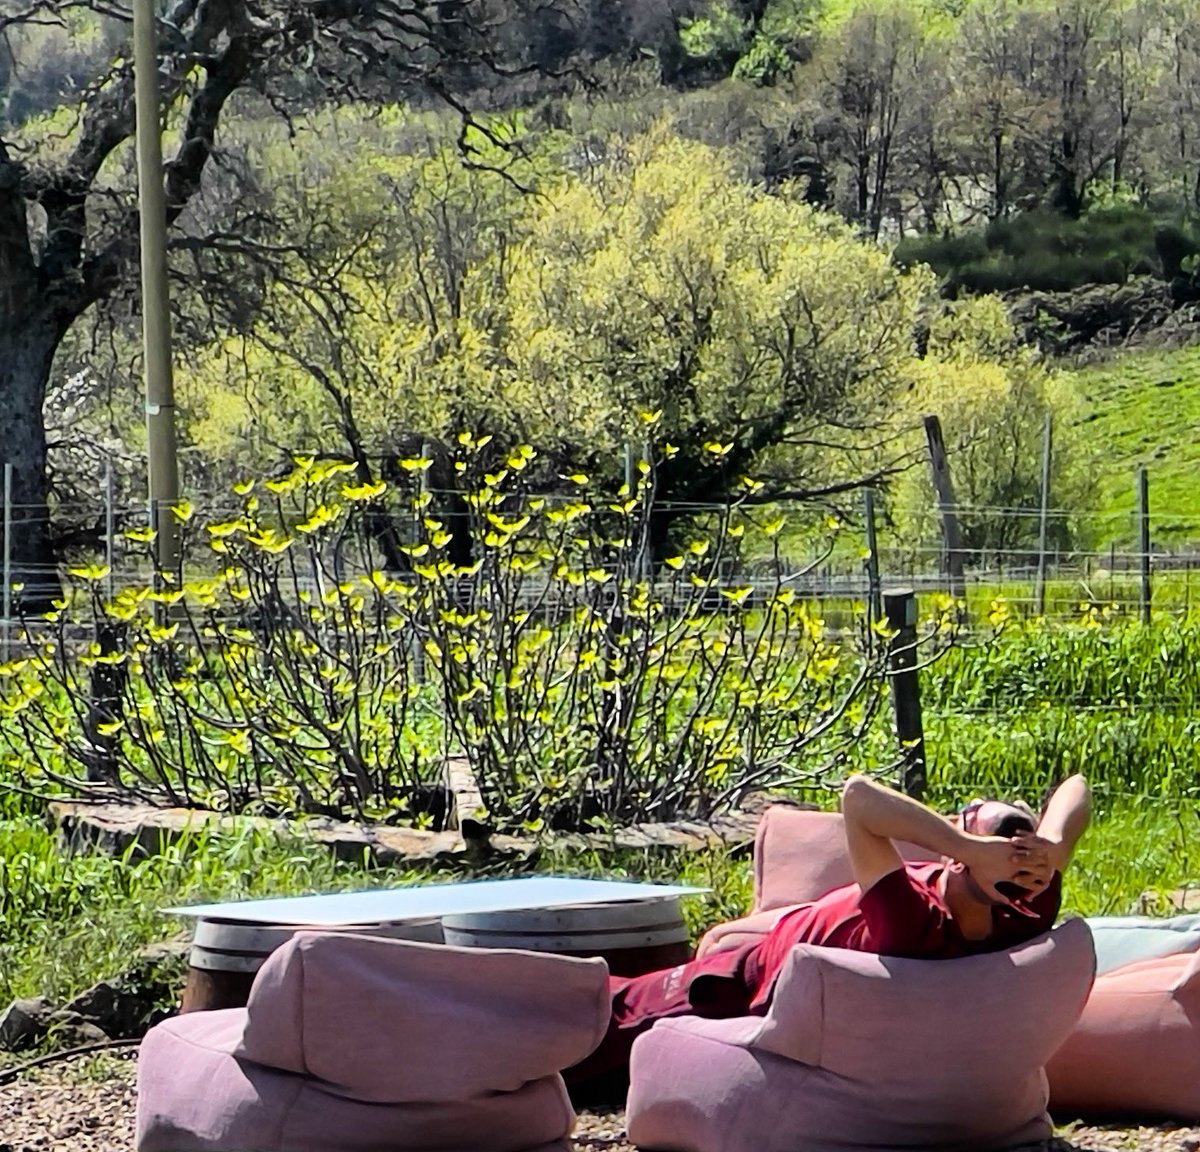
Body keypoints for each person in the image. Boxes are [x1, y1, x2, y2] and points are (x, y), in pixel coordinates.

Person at [564, 772, 1091, 1102]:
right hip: (756, 961)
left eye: (1029, 864)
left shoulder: (985, 910)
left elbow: (1076, 784)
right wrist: (974, 845)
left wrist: (1050, 846)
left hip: (762, 981)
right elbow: (857, 796)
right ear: (957, 859)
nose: (1024, 871)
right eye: (1005, 856)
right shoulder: (941, 909)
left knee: (607, 1032)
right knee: (603, 1017)